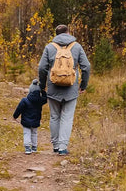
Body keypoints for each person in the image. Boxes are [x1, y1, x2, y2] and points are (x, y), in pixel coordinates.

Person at [38, 24, 90, 156]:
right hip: (71, 89)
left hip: (53, 88)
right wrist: (83, 85)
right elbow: (86, 67)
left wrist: (42, 85)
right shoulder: (76, 46)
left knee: (54, 116)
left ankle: (55, 146)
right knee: (67, 118)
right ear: (68, 33)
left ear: (56, 35)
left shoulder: (50, 47)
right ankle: (62, 147)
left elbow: (42, 68)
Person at [13, 79, 47, 154]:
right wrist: (43, 91)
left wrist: (15, 116)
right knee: (34, 133)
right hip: (36, 120)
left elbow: (19, 109)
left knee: (27, 133)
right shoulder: (40, 100)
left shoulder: (25, 100)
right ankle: (34, 147)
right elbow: (46, 99)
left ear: (30, 91)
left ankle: (28, 148)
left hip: (26, 121)